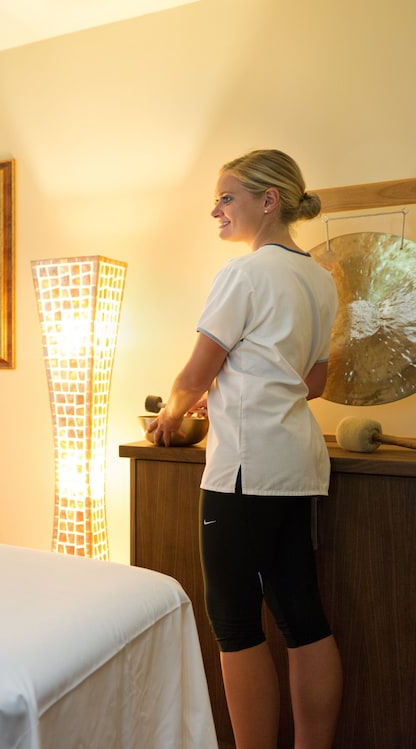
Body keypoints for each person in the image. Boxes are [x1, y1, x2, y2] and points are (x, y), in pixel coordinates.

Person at [148, 150, 342, 749]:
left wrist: (172, 413)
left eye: (226, 198)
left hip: (244, 470)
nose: (216, 211)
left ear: (269, 200)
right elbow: (312, 383)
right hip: (297, 464)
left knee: (235, 624)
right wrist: (237, 390)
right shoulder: (320, 279)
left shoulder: (244, 274)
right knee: (303, 617)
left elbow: (194, 374)